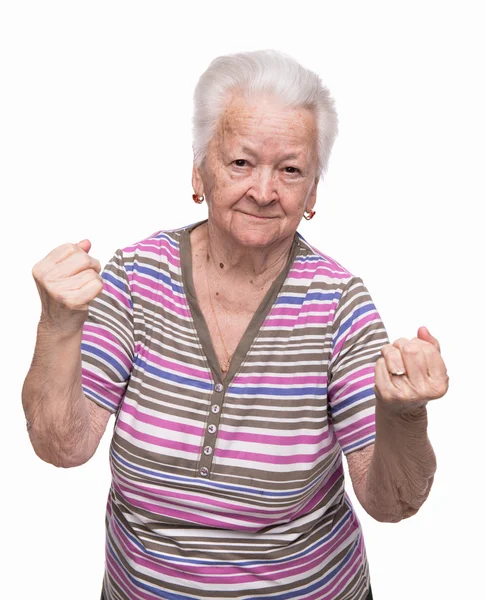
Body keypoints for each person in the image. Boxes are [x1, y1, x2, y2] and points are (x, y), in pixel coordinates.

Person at [22, 50, 449, 600]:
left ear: (314, 193)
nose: (265, 191)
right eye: (241, 163)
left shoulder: (339, 303)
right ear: (198, 170)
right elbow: (62, 446)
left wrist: (405, 414)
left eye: (291, 170)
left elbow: (393, 502)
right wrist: (58, 326)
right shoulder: (136, 278)